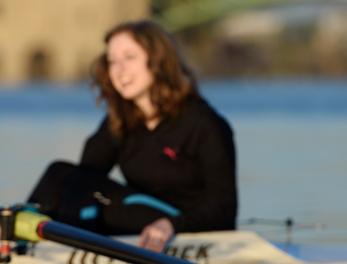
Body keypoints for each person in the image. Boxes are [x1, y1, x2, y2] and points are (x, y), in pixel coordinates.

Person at [27, 20, 236, 252]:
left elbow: (225, 209)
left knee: (85, 184)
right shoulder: (120, 121)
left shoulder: (203, 123)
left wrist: (171, 225)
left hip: (184, 229)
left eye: (129, 57)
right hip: (139, 219)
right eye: (112, 61)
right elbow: (79, 178)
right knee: (61, 173)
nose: (119, 69)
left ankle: (54, 251)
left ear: (158, 60)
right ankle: (16, 229)